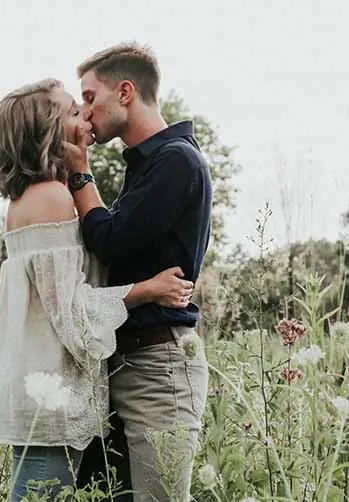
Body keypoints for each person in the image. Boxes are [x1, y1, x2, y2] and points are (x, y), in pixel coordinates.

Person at [0, 77, 197, 502]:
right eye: (75, 110)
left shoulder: (41, 195)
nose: (87, 115)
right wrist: (147, 289)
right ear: (50, 133)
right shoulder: (50, 198)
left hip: (46, 395)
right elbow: (73, 314)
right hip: (50, 401)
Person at [67, 43, 212, 502]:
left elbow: (112, 242)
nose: (85, 112)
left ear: (125, 91)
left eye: (90, 97)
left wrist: (79, 175)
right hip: (126, 362)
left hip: (159, 369)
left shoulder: (175, 160)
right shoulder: (150, 163)